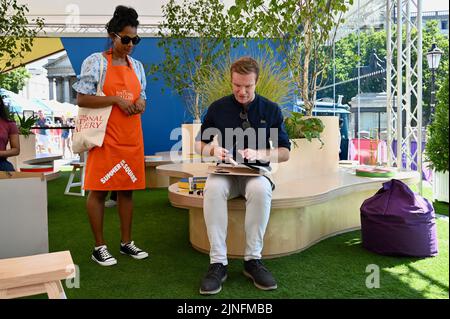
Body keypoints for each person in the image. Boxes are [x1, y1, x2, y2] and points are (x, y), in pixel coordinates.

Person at [195, 57, 291, 295]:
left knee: (260, 189)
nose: (242, 91)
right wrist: (212, 150)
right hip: (225, 171)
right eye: (237, 85)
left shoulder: (271, 109)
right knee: (213, 189)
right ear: (231, 81)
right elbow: (199, 145)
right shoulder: (218, 108)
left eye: (248, 86)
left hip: (256, 173)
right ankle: (218, 263)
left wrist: (261, 152)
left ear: (256, 82)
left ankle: (252, 260)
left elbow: (285, 152)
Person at [73, 5, 148, 266]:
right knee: (99, 190)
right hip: (104, 138)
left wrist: (139, 103)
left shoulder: (137, 66)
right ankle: (99, 247)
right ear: (112, 34)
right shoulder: (95, 62)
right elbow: (81, 98)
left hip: (131, 137)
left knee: (127, 191)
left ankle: (127, 243)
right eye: (125, 39)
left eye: (134, 40)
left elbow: (143, 98)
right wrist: (116, 99)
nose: (130, 45)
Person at [0, 95, 20, 171]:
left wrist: (1, 153)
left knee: (7, 169)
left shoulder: (9, 124)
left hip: (1, 162)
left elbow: (16, 149)